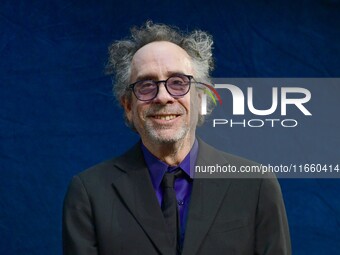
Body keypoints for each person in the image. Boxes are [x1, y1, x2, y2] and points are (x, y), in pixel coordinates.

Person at [62, 21, 291, 255]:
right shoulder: (89, 193)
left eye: (178, 83)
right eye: (146, 85)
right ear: (128, 106)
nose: (163, 97)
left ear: (201, 99)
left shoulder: (256, 184)